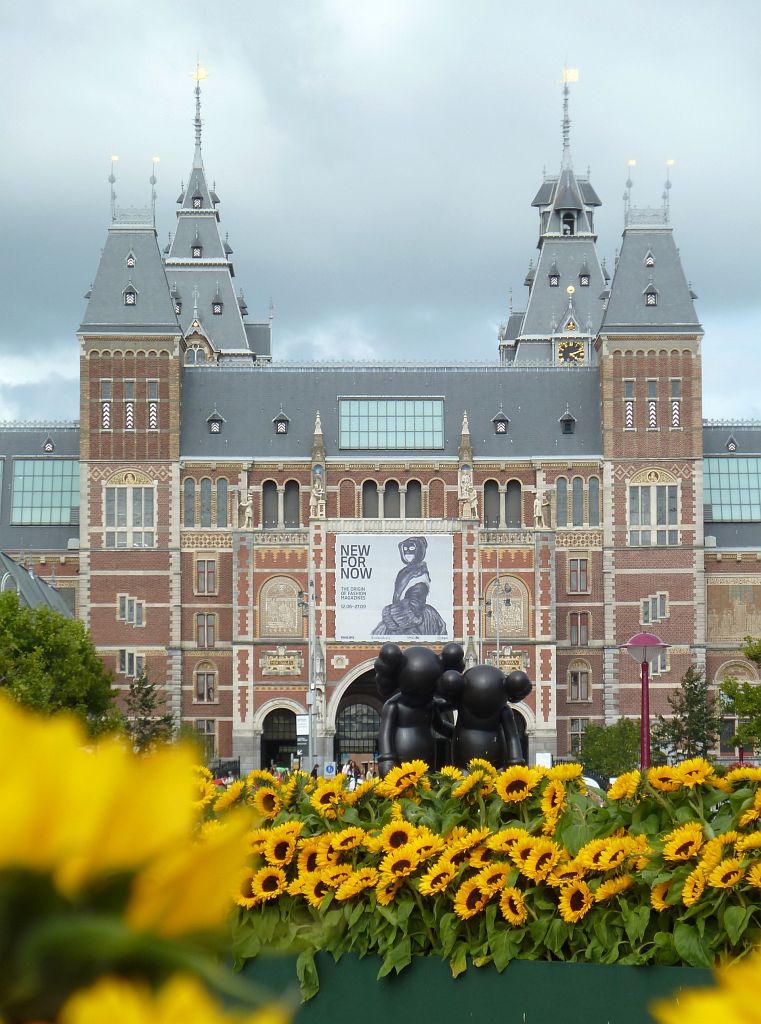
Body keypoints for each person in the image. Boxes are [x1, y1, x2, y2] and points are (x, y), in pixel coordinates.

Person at [372, 536, 446, 637]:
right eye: (405, 550)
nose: (408, 553)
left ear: (419, 551)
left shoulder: (420, 574)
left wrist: (392, 613)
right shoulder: (406, 571)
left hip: (412, 616)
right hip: (400, 611)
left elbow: (416, 603)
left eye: (412, 549)